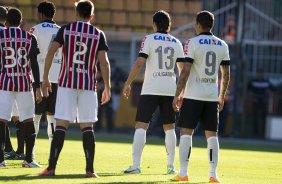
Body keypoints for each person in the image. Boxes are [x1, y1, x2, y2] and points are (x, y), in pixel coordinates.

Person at [39, 0, 111, 177]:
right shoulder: (98, 34)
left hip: (66, 83)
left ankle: (51, 168)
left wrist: (45, 78)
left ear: (76, 13)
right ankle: (90, 171)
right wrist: (107, 87)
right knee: (87, 126)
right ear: (92, 16)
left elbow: (50, 52)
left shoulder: (65, 30)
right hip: (87, 85)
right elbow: (104, 62)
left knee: (61, 124)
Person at [122, 10, 185, 174]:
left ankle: (136, 165)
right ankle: (171, 167)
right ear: (169, 25)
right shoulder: (176, 42)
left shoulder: (148, 39)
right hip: (170, 89)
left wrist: (128, 83)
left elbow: (138, 64)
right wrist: (181, 92)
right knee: (169, 128)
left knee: (141, 126)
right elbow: (182, 70)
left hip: (150, 88)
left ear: (154, 24)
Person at [171, 11, 230, 183]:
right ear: (212, 25)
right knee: (212, 135)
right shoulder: (222, 45)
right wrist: (222, 96)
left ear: (198, 24)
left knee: (185, 133)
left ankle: (183, 172)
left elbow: (186, 70)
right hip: (211, 96)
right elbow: (225, 74)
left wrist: (177, 94)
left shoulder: (191, 43)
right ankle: (213, 175)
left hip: (193, 96)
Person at [0, 7, 42, 168]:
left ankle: (1, 160)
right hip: (25, 84)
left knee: (2, 121)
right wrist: (37, 86)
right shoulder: (29, 37)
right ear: (21, 21)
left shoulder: (1, 35)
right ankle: (29, 159)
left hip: (5, 82)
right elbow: (34, 63)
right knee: (28, 121)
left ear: (7, 21)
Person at [29, 0, 62, 143]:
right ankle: (52, 153)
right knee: (52, 116)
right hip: (56, 77)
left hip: (38, 77)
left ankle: (31, 154)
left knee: (35, 115)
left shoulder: (35, 30)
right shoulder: (61, 31)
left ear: (41, 14)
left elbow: (29, 53)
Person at [0, 6, 25, 160]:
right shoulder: (15, 33)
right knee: (17, 117)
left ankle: (7, 149)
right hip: (18, 79)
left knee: (2, 117)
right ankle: (21, 150)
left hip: (3, 80)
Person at [96, 59, 127, 133]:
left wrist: (117, 85)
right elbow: (97, 80)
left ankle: (110, 127)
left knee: (111, 110)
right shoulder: (101, 69)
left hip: (114, 94)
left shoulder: (118, 71)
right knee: (100, 110)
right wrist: (101, 86)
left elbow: (125, 79)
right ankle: (98, 127)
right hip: (102, 93)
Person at [247, 69, 273, 138]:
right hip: (255, 101)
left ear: (263, 74)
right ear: (257, 74)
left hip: (263, 102)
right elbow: (248, 90)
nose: (260, 75)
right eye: (259, 73)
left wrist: (269, 94)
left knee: (264, 117)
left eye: (261, 73)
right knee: (255, 117)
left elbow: (272, 90)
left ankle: (263, 133)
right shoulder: (252, 81)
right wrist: (250, 96)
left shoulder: (266, 82)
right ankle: (255, 133)